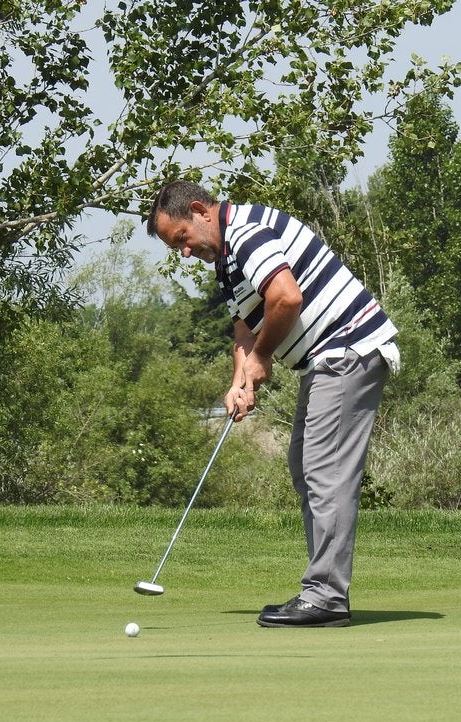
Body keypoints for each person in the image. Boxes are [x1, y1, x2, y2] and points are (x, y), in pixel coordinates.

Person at [147, 180, 399, 628]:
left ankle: (326, 597)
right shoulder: (227, 260)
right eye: (175, 247)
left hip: (347, 348)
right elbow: (244, 329)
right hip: (328, 359)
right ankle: (323, 592)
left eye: (181, 238)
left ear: (200, 211)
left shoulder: (247, 232)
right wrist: (240, 381)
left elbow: (286, 297)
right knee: (306, 466)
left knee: (325, 472)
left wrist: (262, 358)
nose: (184, 252)